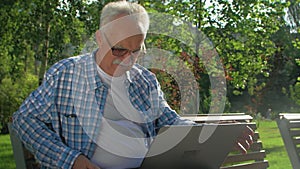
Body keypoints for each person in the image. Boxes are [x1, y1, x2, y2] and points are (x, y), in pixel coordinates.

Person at [12, 1, 254, 169]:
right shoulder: (65, 75)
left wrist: (214, 134)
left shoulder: (144, 81)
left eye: (135, 51)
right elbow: (24, 120)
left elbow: (169, 122)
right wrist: (69, 160)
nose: (125, 59)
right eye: (118, 48)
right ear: (99, 38)